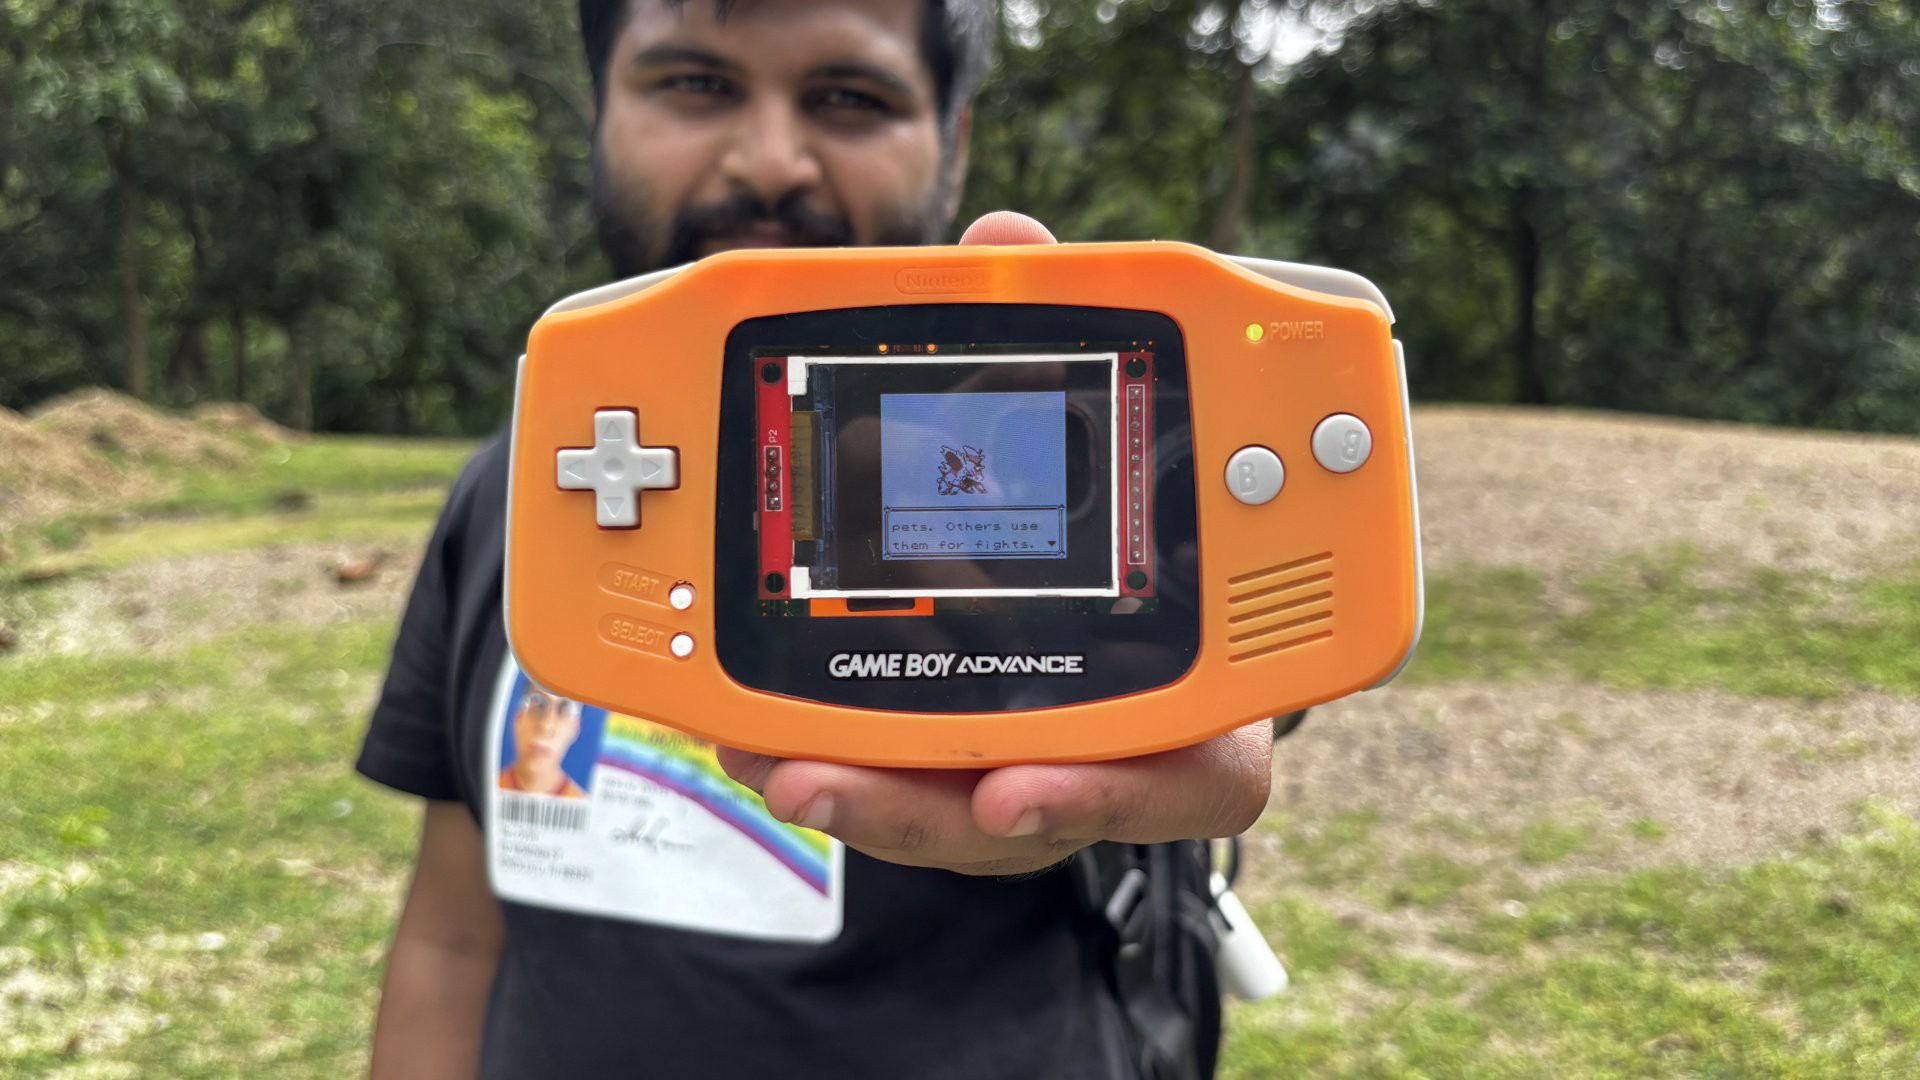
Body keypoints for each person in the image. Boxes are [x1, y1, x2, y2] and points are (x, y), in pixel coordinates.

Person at [354, 2, 1276, 1077]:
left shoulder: (1098, 414)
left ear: (953, 143)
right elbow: (452, 937)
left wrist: (1223, 688)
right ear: (600, 109)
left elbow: (1249, 645)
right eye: (695, 83)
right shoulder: (509, 494)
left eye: (849, 97)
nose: (769, 161)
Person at [497, 689, 588, 799]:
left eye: (565, 709)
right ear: (518, 718)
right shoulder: (485, 789)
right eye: (538, 704)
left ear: (575, 729)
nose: (546, 725)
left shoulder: (583, 804)